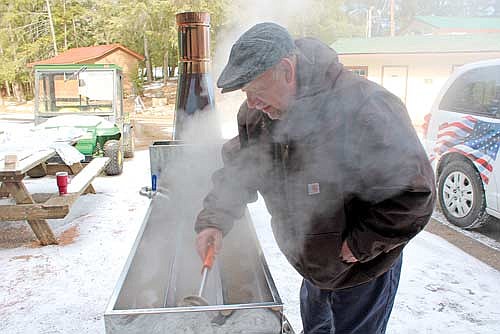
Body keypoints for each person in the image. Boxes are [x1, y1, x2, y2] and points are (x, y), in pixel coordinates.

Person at [194, 22, 436, 334]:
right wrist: (214, 220)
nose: (251, 103)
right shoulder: (259, 116)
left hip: (362, 270)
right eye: (246, 93)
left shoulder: (366, 107)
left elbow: (414, 195)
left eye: (256, 91)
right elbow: (239, 172)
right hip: (314, 267)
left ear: (285, 70)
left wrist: (358, 246)